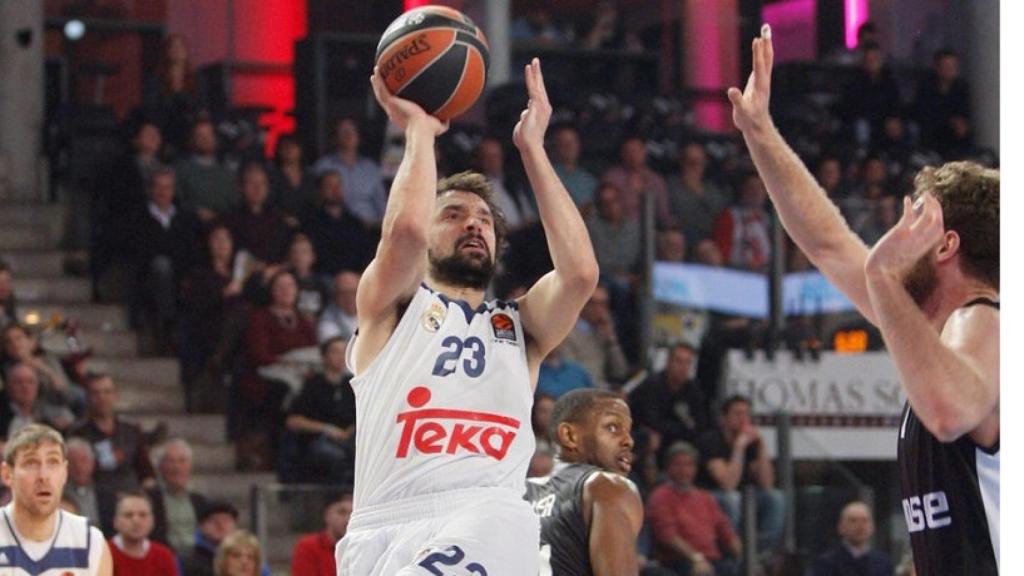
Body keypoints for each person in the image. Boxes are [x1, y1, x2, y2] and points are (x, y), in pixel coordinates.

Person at [728, 25, 998, 575]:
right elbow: (828, 243)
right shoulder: (930, 332)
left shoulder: (984, 320)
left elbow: (949, 413)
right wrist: (759, 131)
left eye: (915, 219)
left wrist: (882, 276)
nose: (899, 231)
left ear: (945, 245)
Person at [336, 58, 598, 575]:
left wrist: (533, 151)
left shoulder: (520, 328)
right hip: (378, 531)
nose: (473, 225)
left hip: (487, 517)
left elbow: (581, 274)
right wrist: (418, 132)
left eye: (484, 220)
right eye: (453, 215)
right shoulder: (393, 307)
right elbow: (406, 232)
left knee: (499, 519)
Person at [524, 389, 642, 575]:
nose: (629, 441)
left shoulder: (518, 493)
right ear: (569, 435)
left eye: (628, 430)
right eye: (612, 427)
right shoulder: (607, 487)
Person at [0, 424, 113, 575]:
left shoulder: (91, 542)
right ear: (7, 474)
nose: (43, 476)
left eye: (52, 462)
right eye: (31, 463)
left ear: (64, 472)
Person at [695, 396, 783, 551]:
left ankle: (761, 552)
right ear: (723, 419)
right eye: (737, 414)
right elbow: (728, 484)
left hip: (744, 495)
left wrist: (761, 446)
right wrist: (739, 448)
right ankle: (732, 549)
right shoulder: (711, 440)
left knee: (774, 497)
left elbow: (766, 483)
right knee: (732, 499)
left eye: (746, 414)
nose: (743, 419)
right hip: (711, 495)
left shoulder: (750, 443)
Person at [646, 442, 740, 576]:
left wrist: (745, 556)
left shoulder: (705, 497)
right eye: (678, 465)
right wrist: (696, 558)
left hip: (713, 560)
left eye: (689, 465)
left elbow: (725, 531)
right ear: (668, 468)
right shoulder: (660, 496)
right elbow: (667, 536)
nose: (684, 470)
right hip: (679, 561)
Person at [68, 374, 157, 494]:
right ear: (88, 397)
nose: (102, 398)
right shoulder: (78, 433)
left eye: (107, 392)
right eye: (96, 393)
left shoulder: (131, 430)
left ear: (115, 396)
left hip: (130, 495)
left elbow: (146, 472)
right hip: (94, 496)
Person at [285, 337, 356, 482]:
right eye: (335, 352)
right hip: (317, 440)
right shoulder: (312, 385)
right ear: (324, 357)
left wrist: (351, 430)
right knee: (336, 457)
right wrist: (327, 429)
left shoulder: (351, 385)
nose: (340, 356)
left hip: (347, 440)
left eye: (344, 352)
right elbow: (293, 421)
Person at [312, 118, 387, 229]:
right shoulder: (323, 166)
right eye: (344, 132)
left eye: (352, 131)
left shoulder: (371, 168)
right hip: (335, 226)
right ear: (335, 137)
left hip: (371, 227)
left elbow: (381, 203)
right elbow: (317, 202)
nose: (348, 135)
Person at [147, 438, 209, 556]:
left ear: (190, 466)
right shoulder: (150, 499)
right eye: (171, 461)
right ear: (160, 467)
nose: (177, 467)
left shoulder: (199, 500)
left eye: (182, 461)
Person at [812, 501, 893, 576]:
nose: (860, 526)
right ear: (841, 527)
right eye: (853, 521)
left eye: (865, 521)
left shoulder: (883, 563)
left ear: (872, 527)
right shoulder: (827, 563)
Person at [108, 492, 179, 576]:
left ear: (152, 521)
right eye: (128, 515)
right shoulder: (104, 554)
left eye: (143, 515)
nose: (136, 521)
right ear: (115, 521)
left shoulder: (164, 556)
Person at [62, 438, 116, 535]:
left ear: (92, 463)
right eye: (73, 461)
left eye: (83, 460)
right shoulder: (59, 492)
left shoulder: (106, 492)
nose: (78, 466)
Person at [291, 492, 353, 576]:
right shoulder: (308, 546)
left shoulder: (358, 547)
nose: (348, 519)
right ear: (327, 515)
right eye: (341, 512)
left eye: (352, 514)